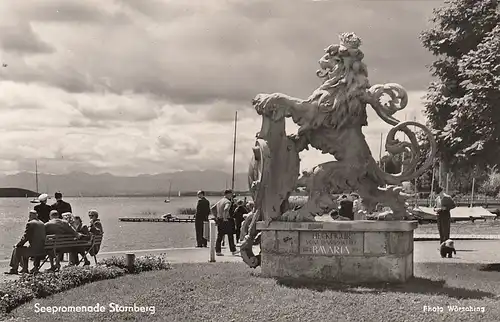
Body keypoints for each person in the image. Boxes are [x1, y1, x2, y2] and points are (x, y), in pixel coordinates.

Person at [4, 210, 46, 275]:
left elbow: (25, 237)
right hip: (42, 250)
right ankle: (25, 268)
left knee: (17, 249)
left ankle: (14, 269)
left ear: (30, 216)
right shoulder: (42, 223)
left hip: (34, 250)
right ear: (36, 215)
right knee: (24, 248)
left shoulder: (30, 223)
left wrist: (18, 244)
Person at [211, 189, 237, 256]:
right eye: (231, 194)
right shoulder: (228, 201)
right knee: (230, 235)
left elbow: (212, 208)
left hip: (220, 220)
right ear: (228, 194)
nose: (231, 196)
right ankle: (233, 250)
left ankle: (218, 251)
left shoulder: (220, 201)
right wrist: (225, 217)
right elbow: (226, 209)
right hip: (226, 220)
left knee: (220, 235)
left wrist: (216, 216)